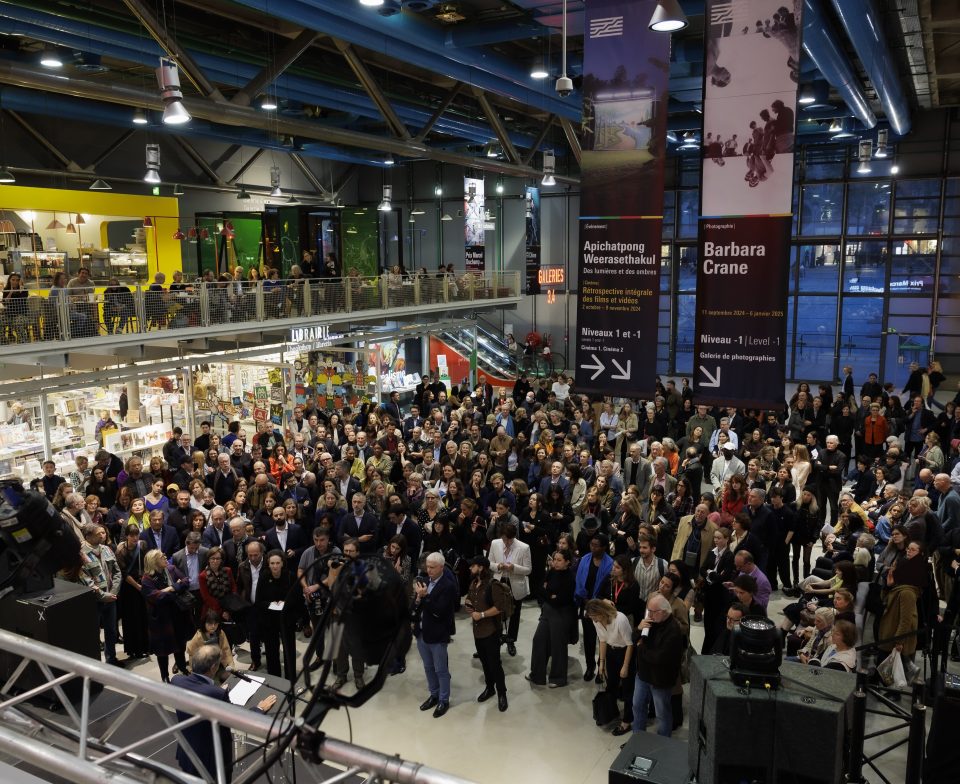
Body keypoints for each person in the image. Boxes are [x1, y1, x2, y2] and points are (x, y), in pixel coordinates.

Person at [171, 644, 277, 782]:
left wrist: (211, 689)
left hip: (187, 753)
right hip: (212, 761)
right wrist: (260, 708)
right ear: (214, 667)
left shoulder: (176, 681)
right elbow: (237, 720)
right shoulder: (217, 693)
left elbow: (197, 692)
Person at [632, 594, 685, 736]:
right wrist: (638, 628)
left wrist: (641, 648)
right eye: (648, 610)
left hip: (660, 680)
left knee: (662, 713)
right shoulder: (650, 621)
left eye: (652, 611)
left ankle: (663, 741)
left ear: (663, 612)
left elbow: (658, 657)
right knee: (637, 706)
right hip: (643, 674)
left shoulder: (673, 630)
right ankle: (638, 737)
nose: (648, 614)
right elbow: (634, 639)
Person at [414, 551, 459, 718]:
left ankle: (443, 700)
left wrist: (424, 597)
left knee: (441, 669)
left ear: (441, 567)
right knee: (428, 667)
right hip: (421, 633)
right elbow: (415, 606)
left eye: (432, 567)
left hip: (438, 634)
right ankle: (433, 694)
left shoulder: (448, 586)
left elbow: (439, 612)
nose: (429, 570)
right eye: (427, 567)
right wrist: (418, 599)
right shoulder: (424, 581)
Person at [464, 555, 511, 711]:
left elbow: (499, 607)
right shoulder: (473, 583)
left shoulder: (493, 585)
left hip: (491, 631)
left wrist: (482, 614)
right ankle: (490, 688)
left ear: (481, 567)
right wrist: (468, 605)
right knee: (484, 662)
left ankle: (502, 693)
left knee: (495, 664)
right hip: (477, 631)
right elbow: (470, 599)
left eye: (473, 566)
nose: (470, 568)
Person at [141, 549, 192, 682]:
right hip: (161, 620)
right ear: (154, 561)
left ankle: (182, 668)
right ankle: (165, 676)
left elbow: (186, 581)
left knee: (180, 645)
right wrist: (176, 588)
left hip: (178, 615)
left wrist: (169, 588)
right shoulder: (147, 578)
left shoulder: (172, 569)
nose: (165, 557)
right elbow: (156, 597)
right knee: (162, 651)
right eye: (161, 556)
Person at [586, 598, 635, 736]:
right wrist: (601, 663)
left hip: (625, 652)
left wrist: (625, 666)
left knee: (627, 689)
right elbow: (602, 640)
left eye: (595, 616)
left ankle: (627, 721)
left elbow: (630, 644)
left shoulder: (620, 619)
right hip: (611, 652)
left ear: (602, 612)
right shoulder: (596, 621)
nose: (594, 620)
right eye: (591, 617)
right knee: (611, 685)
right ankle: (611, 713)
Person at [527, 549, 576, 687]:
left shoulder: (570, 578)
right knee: (538, 640)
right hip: (548, 611)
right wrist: (550, 595)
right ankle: (537, 675)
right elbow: (540, 590)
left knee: (558, 645)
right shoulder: (551, 572)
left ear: (567, 562)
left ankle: (558, 678)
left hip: (562, 613)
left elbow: (560, 600)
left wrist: (548, 593)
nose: (555, 562)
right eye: (554, 559)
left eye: (559, 560)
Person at [77, 522, 122, 665]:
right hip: (93, 601)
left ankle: (112, 660)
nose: (103, 535)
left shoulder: (106, 549)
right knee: (92, 634)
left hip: (111, 598)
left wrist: (113, 592)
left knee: (111, 631)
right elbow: (84, 579)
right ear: (88, 535)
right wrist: (102, 595)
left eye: (104, 532)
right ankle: (94, 664)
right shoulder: (80, 553)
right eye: (99, 533)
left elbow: (117, 572)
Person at [487, 521, 532, 656]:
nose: (506, 542)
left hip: (515, 583)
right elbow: (489, 562)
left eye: (509, 540)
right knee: (496, 611)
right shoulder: (495, 543)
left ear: (514, 537)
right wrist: (498, 566)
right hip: (499, 581)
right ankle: (496, 638)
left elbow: (528, 570)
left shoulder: (524, 547)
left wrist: (514, 568)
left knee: (514, 613)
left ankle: (511, 639)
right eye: (504, 539)